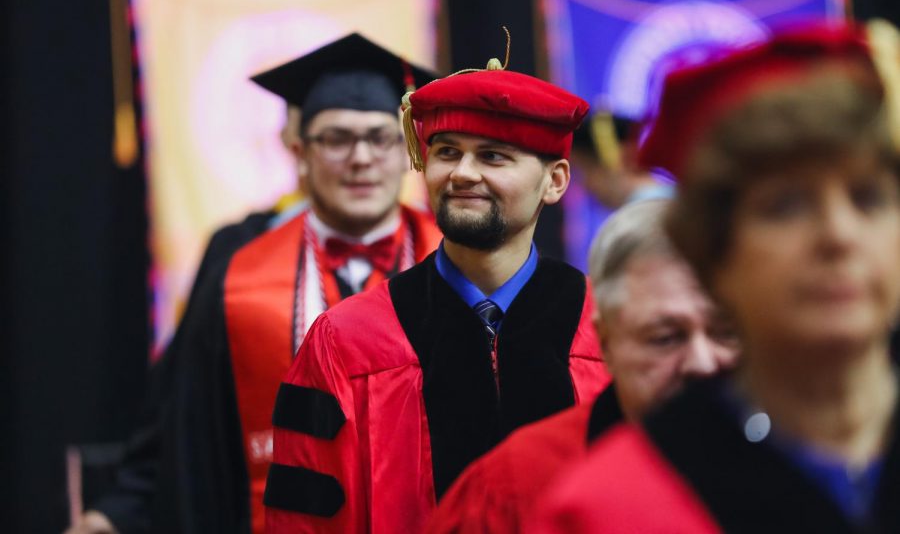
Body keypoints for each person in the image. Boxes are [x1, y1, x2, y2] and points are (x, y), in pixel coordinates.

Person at [67, 32, 441, 534]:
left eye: (381, 137)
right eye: (335, 138)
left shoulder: (457, 261)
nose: (361, 158)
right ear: (298, 151)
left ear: (409, 153)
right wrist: (116, 514)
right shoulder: (237, 267)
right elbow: (182, 415)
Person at [534, 20, 900, 532]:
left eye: (869, 198)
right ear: (710, 251)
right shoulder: (615, 509)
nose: (839, 235)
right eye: (786, 206)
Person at [264, 51, 611, 532]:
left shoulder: (608, 330)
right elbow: (303, 520)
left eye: (493, 155)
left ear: (554, 182)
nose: (463, 172)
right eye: (447, 151)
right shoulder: (347, 341)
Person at [424, 198, 740, 534]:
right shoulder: (518, 486)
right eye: (665, 338)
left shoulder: (795, 457)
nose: (703, 363)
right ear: (606, 342)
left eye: (727, 333)